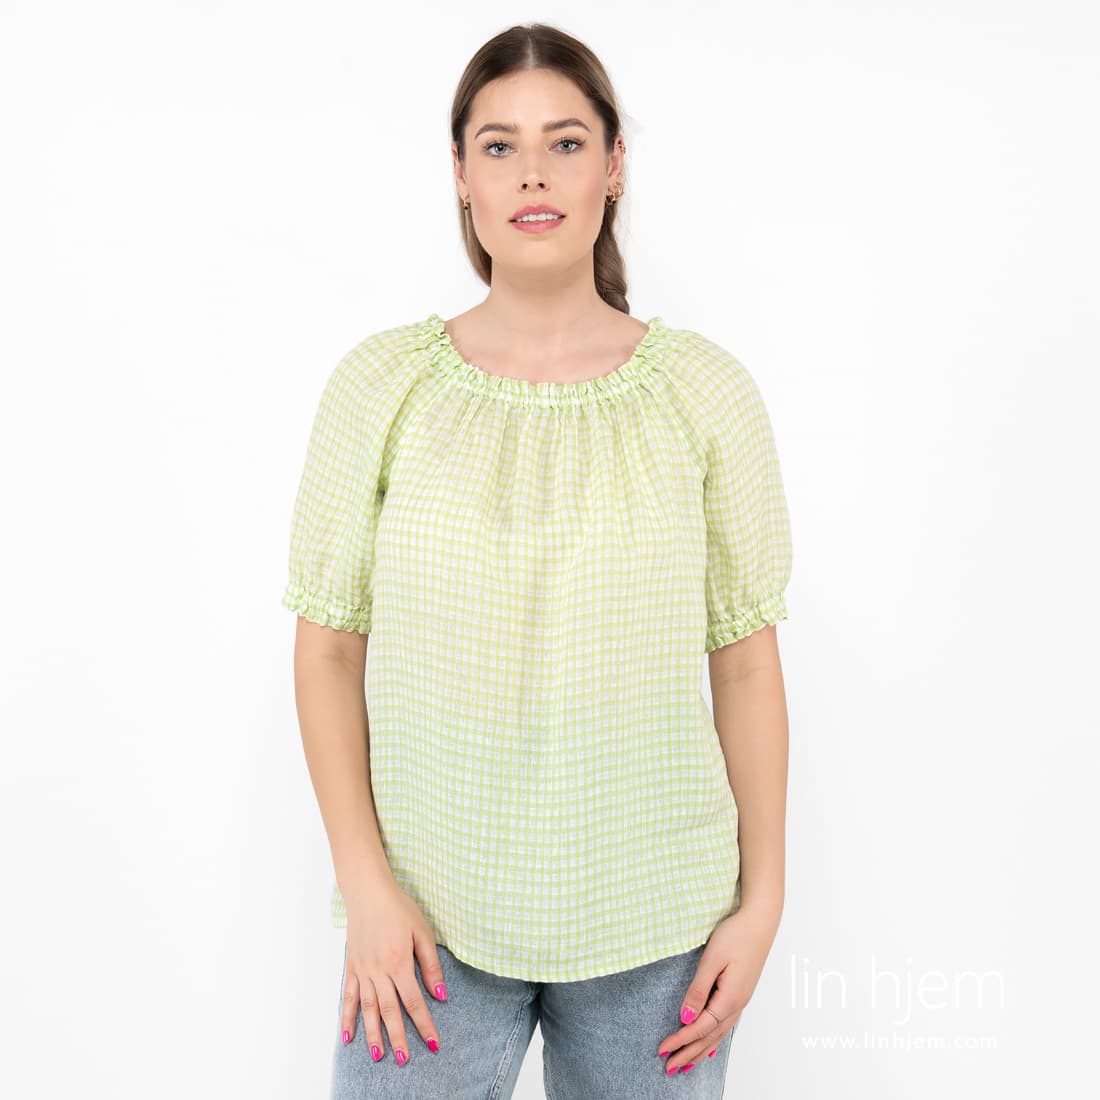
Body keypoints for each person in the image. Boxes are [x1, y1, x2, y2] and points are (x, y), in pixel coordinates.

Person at [281, 22, 794, 1099]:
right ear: (459, 174)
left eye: (564, 142)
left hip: (659, 925)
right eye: (499, 145)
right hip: (424, 925)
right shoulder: (380, 387)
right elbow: (326, 649)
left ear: (613, 165)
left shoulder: (704, 393)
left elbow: (745, 661)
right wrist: (365, 888)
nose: (532, 174)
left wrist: (762, 903)